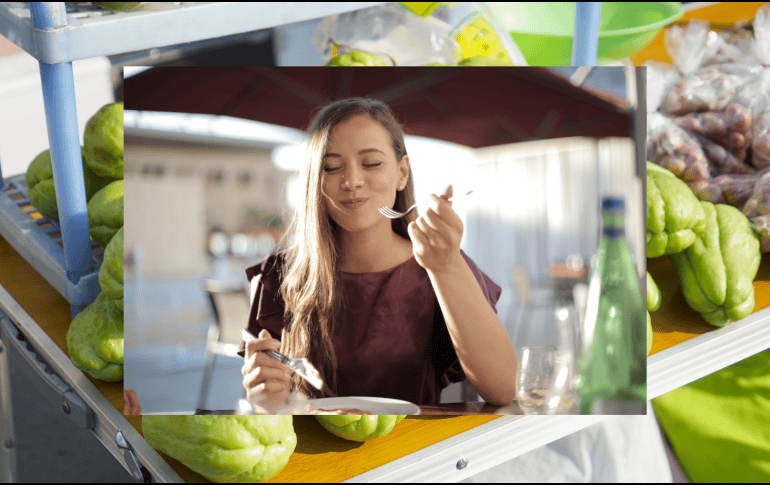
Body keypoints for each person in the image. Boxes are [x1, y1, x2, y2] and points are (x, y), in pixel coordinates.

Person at [238, 97, 517, 406]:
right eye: (331, 167)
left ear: (401, 172)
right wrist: (262, 394)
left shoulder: (441, 263)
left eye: (371, 163)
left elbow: (503, 389)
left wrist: (446, 267)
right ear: (314, 181)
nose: (352, 181)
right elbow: (264, 398)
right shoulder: (277, 275)